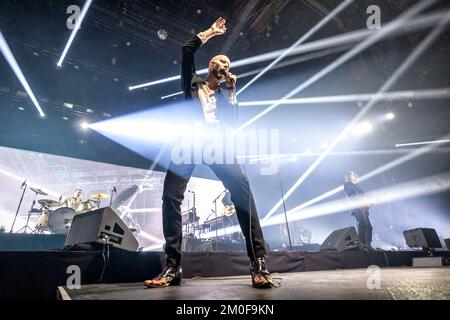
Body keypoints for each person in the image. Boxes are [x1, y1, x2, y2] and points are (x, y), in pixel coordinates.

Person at [144, 17, 273, 289]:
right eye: (221, 62)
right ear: (211, 65)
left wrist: (233, 92)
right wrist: (210, 33)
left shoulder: (227, 98)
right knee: (170, 197)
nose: (225, 66)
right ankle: (172, 267)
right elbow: (185, 51)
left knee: (243, 194)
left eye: (228, 64)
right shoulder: (192, 83)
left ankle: (258, 263)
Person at [344, 171, 374, 251]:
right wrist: (360, 205)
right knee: (366, 226)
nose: (353, 176)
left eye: (354, 175)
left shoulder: (356, 185)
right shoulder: (348, 184)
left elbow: (363, 196)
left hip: (362, 208)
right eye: (352, 175)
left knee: (364, 226)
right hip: (358, 208)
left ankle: (364, 245)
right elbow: (351, 196)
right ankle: (365, 245)